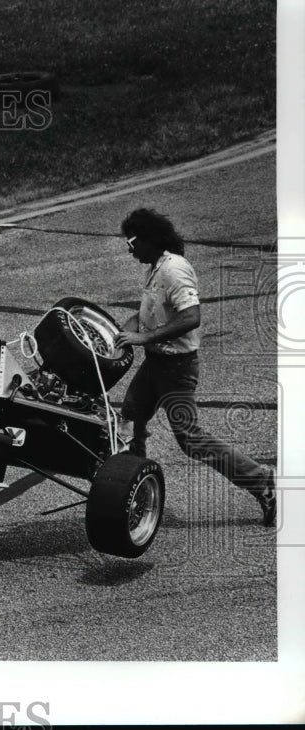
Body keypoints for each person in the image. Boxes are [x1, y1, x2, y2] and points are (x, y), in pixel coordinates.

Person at [113, 207, 276, 526]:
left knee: (190, 439)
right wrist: (122, 331)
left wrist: (143, 338)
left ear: (149, 239)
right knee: (130, 422)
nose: (129, 250)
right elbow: (147, 311)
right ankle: (137, 495)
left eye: (132, 242)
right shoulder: (156, 266)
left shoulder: (175, 269)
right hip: (156, 363)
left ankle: (262, 483)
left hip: (176, 369)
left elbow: (191, 317)